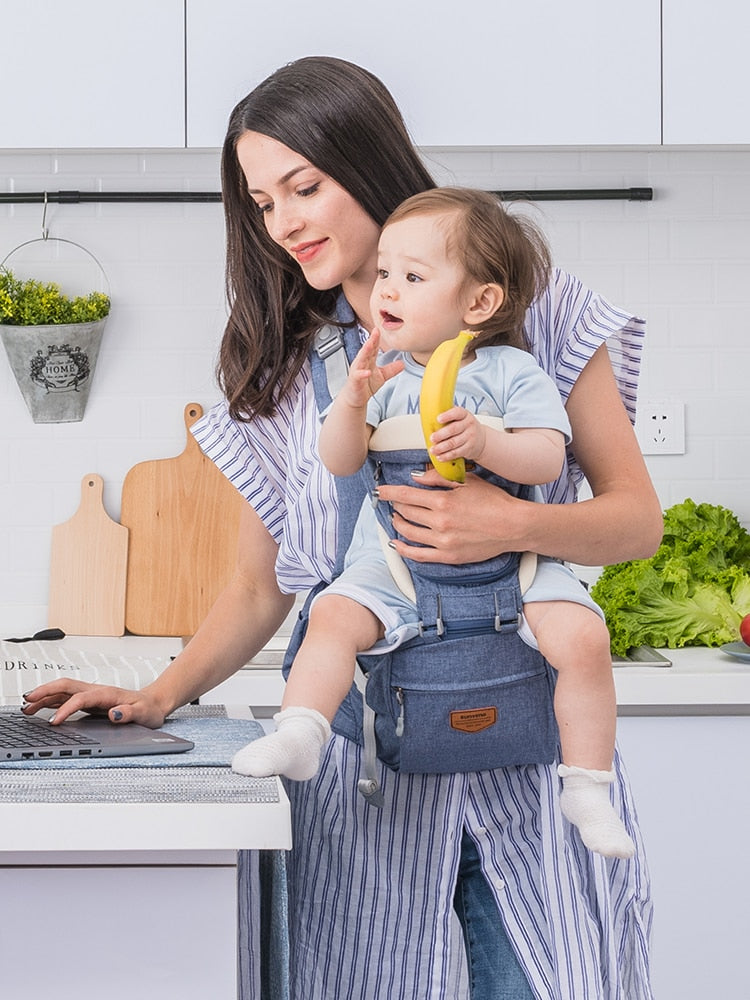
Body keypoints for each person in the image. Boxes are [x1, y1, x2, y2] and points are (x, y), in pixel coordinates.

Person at [22, 56, 662, 999]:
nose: (283, 222)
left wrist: (508, 520)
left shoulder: (532, 307)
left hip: (531, 769)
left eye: (306, 186)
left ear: (369, 163)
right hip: (358, 775)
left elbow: (634, 522)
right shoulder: (282, 366)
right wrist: (157, 697)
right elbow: (258, 584)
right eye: (262, 201)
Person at [232, 186, 635, 860]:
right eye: (384, 272)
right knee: (332, 618)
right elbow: (342, 461)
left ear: (479, 303)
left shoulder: (515, 372)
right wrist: (351, 405)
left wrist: (483, 443)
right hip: (394, 564)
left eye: (412, 278)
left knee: (584, 638)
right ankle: (302, 731)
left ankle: (585, 781)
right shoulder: (384, 377)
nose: (386, 290)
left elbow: (543, 456)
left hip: (515, 566)